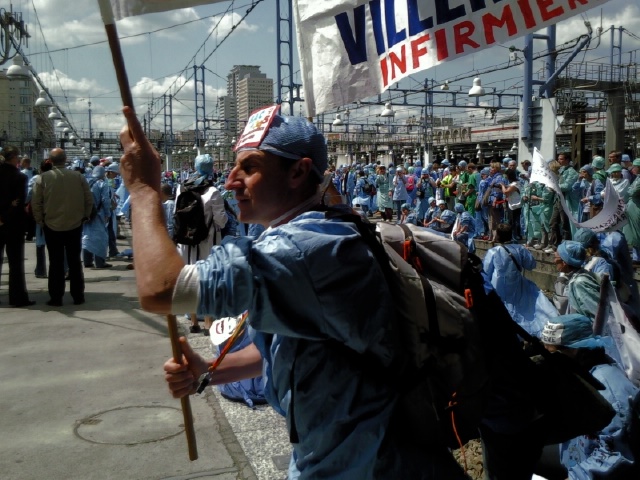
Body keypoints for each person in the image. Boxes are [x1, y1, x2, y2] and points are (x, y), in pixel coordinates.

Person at [119, 106, 468, 479]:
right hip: (353, 453)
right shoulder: (324, 228)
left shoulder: (302, 250)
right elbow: (281, 346)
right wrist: (208, 372)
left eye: (250, 167)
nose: (231, 181)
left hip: (360, 465)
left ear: (298, 172)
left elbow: (162, 289)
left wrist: (143, 190)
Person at [540, 314, 639, 479]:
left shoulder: (608, 389)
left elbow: (616, 452)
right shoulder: (578, 376)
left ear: (574, 349)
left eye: (551, 353)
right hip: (577, 459)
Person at [32, 148, 93, 307]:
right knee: (74, 261)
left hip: (51, 225)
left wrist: (40, 221)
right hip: (75, 224)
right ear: (65, 160)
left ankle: (56, 297)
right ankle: (78, 296)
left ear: (50, 161)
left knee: (55, 262)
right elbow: (88, 198)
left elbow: (36, 202)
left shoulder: (42, 178)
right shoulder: (78, 177)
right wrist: (85, 216)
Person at [175, 153, 227, 334]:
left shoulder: (181, 188)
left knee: (190, 279)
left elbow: (176, 215)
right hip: (207, 243)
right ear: (211, 168)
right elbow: (221, 221)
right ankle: (208, 322)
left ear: (195, 167)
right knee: (208, 280)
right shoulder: (213, 192)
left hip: (186, 242)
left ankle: (193, 321)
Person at [483, 223, 558, 337]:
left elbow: (485, 272)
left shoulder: (493, 252)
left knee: (502, 309)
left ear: (497, 236)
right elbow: (531, 265)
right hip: (517, 285)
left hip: (499, 287)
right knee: (522, 307)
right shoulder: (520, 249)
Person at [0, 146, 35, 307]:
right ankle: (17, 297)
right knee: (15, 263)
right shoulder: (20, 177)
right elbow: (20, 202)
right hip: (14, 224)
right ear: (14, 158)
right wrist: (7, 212)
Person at [552, 241, 600, 319]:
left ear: (564, 262)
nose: (554, 261)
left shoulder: (580, 283)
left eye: (555, 258)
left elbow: (596, 316)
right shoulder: (569, 278)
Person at [82, 165, 112, 269]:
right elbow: (105, 200)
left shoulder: (86, 182)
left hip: (86, 215)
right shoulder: (102, 184)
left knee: (86, 236)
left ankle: (87, 261)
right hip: (99, 214)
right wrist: (108, 213)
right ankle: (100, 262)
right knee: (100, 238)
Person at [623, 159, 640, 265]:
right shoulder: (637, 178)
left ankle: (638, 256)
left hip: (637, 207)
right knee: (633, 233)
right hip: (632, 207)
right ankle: (636, 256)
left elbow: (632, 191)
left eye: (635, 166)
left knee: (637, 232)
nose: (633, 168)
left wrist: (629, 190)